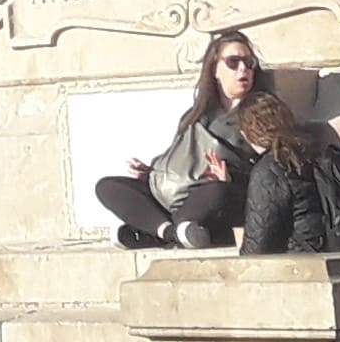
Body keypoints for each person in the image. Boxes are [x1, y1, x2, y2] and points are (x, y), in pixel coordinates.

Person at [96, 29, 265, 247]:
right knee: (108, 186)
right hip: (176, 194)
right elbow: (181, 162)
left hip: (217, 195)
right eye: (233, 62)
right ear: (215, 69)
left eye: (249, 62)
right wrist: (149, 172)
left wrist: (230, 179)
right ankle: (172, 234)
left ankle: (153, 234)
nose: (243, 69)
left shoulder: (259, 111)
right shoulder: (195, 113)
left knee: (218, 192)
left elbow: (270, 172)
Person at [233, 91, 340, 254]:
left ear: (248, 133)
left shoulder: (269, 170)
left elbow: (258, 248)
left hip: (306, 265)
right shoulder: (321, 151)